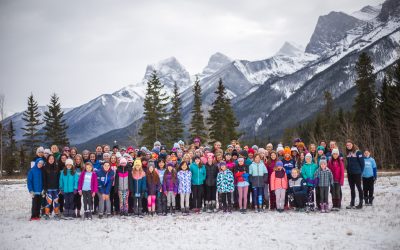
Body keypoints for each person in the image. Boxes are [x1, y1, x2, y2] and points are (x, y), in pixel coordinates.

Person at [345, 139, 364, 209]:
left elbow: (363, 164)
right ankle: (352, 203)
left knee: (359, 188)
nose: (348, 146)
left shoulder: (358, 152)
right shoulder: (348, 153)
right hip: (350, 174)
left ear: (352, 144)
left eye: (349, 145)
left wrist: (360, 172)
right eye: (347, 145)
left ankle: (361, 203)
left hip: (357, 173)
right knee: (352, 188)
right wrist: (347, 172)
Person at [42, 155, 60, 220]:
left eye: (52, 158)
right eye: (50, 159)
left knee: (56, 202)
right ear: (48, 160)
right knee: (48, 202)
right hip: (48, 188)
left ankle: (56, 214)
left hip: (56, 188)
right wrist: (45, 188)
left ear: (54, 160)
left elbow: (58, 178)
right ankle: (47, 214)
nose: (51, 160)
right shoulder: (45, 168)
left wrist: (59, 187)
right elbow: (44, 179)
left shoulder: (57, 167)